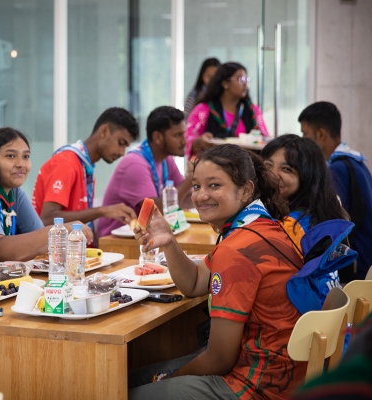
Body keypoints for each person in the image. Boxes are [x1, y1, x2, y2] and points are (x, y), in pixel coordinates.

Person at [130, 144, 306, 399]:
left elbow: (220, 359)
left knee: (119, 389)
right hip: (287, 376)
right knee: (133, 378)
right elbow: (194, 283)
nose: (201, 196)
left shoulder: (236, 250)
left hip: (255, 386)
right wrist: (168, 240)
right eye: (196, 186)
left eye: (214, 185)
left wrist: (170, 378)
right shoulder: (263, 227)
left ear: (245, 190)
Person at [0, 127, 93, 262]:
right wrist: (63, 228)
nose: (21, 164)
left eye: (26, 156)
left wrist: (58, 235)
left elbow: (41, 240)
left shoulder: (14, 192)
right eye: (11, 156)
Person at [262, 134, 348, 303]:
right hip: (323, 320)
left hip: (302, 322)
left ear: (308, 178)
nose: (272, 174)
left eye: (286, 169)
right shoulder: (318, 214)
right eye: (267, 165)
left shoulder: (291, 227)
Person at [299, 101, 372, 281]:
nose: (303, 140)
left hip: (356, 265)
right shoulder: (356, 162)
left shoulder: (338, 169)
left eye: (305, 134)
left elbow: (330, 218)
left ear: (321, 134)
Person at [32, 107, 140, 228]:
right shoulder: (66, 163)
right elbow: (47, 218)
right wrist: (101, 211)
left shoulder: (86, 169)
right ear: (104, 131)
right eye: (121, 143)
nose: (122, 153)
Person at [98, 106, 193, 237]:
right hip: (116, 241)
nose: (184, 141)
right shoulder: (135, 164)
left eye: (184, 134)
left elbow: (188, 198)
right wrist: (192, 177)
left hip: (144, 238)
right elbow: (156, 211)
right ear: (158, 137)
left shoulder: (166, 160)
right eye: (178, 135)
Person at [185, 62, 269, 157]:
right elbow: (186, 138)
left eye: (246, 79)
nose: (245, 84)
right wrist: (200, 141)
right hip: (214, 166)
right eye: (241, 79)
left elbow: (265, 139)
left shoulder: (252, 110)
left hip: (248, 167)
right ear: (225, 83)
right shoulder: (203, 109)